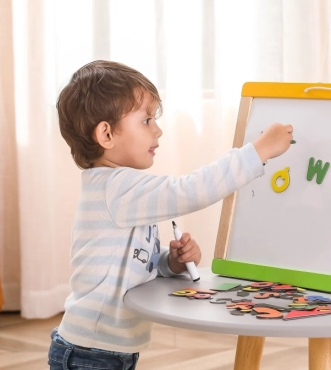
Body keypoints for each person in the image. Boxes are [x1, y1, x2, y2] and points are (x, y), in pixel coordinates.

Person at [48, 60, 293, 370]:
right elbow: (190, 190)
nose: (158, 129)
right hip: (91, 353)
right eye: (147, 120)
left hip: (103, 348)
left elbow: (130, 260)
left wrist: (168, 262)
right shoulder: (116, 187)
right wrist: (257, 152)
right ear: (106, 134)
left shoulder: (119, 189)